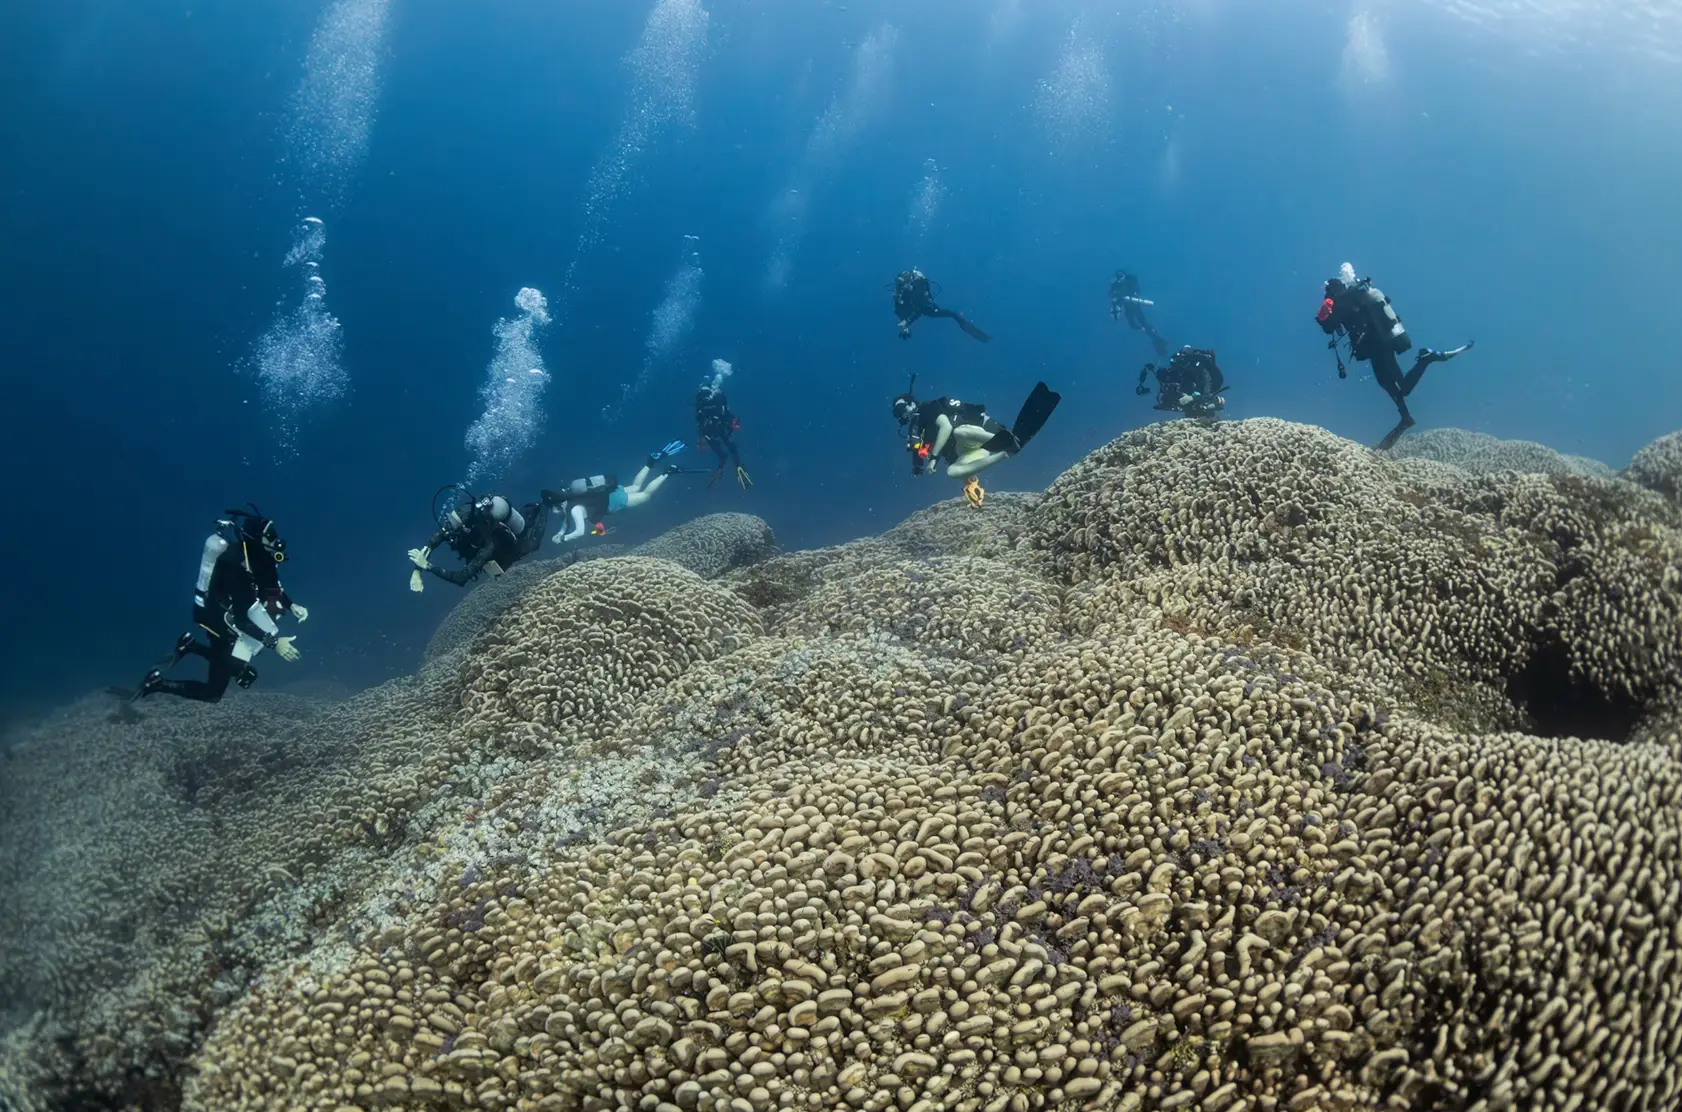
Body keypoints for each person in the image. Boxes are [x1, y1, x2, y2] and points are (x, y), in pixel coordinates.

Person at [136, 505, 307, 702]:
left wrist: (291, 606)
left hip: (233, 616)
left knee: (238, 665)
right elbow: (241, 621)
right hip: (218, 620)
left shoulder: (259, 558)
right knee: (214, 692)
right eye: (270, 536)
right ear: (255, 539)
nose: (276, 541)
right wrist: (275, 644)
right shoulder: (237, 568)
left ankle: (189, 646)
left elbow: (270, 586)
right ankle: (156, 683)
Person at [1317, 266, 1474, 450]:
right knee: (1388, 383)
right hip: (1379, 342)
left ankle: (1425, 360)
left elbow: (1330, 326)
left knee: (1399, 386)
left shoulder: (1342, 300)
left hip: (1377, 344)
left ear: (1332, 290)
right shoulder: (1353, 296)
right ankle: (1405, 416)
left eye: (1327, 292)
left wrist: (1322, 317)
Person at [892, 378, 1061, 508]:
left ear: (911, 404)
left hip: (975, 434)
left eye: (900, 410)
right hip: (971, 451)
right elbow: (924, 454)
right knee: (951, 471)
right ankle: (1006, 452)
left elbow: (946, 427)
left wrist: (934, 458)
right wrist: (970, 483)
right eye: (896, 414)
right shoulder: (917, 432)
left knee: (959, 432)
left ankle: (1006, 440)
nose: (900, 416)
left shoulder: (927, 409)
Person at [545, 442, 698, 543]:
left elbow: (580, 532)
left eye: (553, 510)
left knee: (646, 495)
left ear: (559, 506)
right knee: (635, 486)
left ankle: (667, 473)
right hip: (609, 491)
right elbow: (565, 523)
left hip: (614, 502)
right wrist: (560, 533)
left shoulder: (574, 511)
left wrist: (564, 539)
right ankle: (650, 463)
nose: (554, 514)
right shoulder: (571, 500)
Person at [408, 490, 549, 591]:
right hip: (501, 528)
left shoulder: (489, 544)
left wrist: (427, 566)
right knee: (525, 522)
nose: (448, 530)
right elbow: (431, 543)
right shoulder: (457, 522)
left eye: (452, 527)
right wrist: (417, 572)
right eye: (449, 523)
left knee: (532, 545)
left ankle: (545, 506)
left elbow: (461, 578)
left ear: (466, 528)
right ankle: (535, 507)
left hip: (510, 545)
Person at [893, 269, 991, 343]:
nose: (907, 287)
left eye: (907, 285)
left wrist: (928, 300)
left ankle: (964, 323)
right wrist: (904, 325)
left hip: (923, 306)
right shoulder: (900, 294)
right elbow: (900, 311)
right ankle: (962, 321)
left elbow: (926, 292)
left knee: (949, 313)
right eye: (904, 287)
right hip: (917, 308)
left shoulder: (919, 282)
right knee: (944, 312)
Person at [1137, 346, 1227, 418]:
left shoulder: (1200, 368)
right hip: (1194, 388)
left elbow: (1207, 384)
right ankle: (1196, 406)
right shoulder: (1181, 367)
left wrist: (1193, 398)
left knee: (1200, 404)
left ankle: (1212, 402)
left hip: (1210, 387)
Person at [696, 378, 751, 489]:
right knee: (731, 447)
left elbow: (700, 423)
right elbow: (727, 414)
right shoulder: (718, 401)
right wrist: (733, 422)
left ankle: (723, 464)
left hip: (712, 432)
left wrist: (701, 440)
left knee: (721, 450)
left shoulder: (702, 405)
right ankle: (737, 465)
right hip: (721, 429)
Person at [1109, 269, 1170, 359]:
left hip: (1134, 305)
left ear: (1125, 275)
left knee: (1140, 323)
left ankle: (1155, 338)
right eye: (1118, 276)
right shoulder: (1117, 285)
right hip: (1129, 306)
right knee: (1135, 324)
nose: (1120, 278)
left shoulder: (1130, 281)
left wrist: (1118, 296)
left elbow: (1133, 289)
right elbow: (1112, 295)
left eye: (1121, 276)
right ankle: (1153, 335)